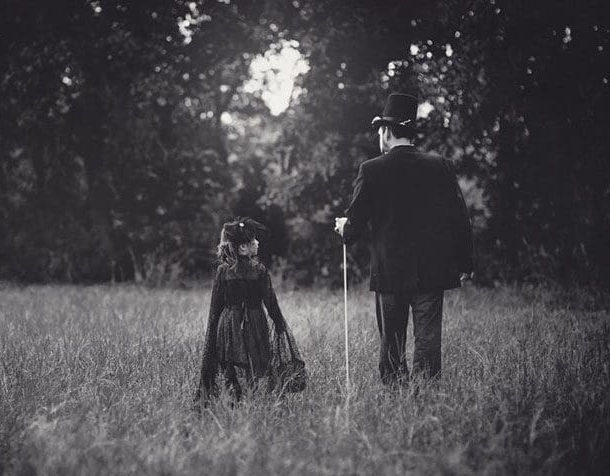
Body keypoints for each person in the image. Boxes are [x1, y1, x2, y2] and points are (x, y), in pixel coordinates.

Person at [335, 92, 474, 386]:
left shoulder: (371, 169)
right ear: (411, 132)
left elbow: (354, 226)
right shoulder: (441, 166)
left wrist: (344, 228)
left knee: (392, 344)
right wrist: (466, 262)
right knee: (428, 341)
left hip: (390, 272)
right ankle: (425, 398)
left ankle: (396, 398)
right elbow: (459, 218)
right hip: (432, 271)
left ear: (385, 131)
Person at [195, 218, 303, 404]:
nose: (258, 243)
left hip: (229, 324)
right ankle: (250, 396)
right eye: (253, 241)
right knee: (254, 364)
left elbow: (215, 308)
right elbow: (271, 302)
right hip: (254, 323)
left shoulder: (223, 271)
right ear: (243, 248)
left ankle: (235, 396)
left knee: (231, 362)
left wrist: (213, 331)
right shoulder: (259, 271)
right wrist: (279, 324)